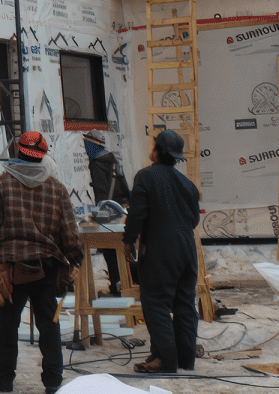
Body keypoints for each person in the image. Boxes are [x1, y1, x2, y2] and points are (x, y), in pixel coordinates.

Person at [0, 131, 82, 394]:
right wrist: (75, 259)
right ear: (43, 155)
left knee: (7, 324)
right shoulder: (56, 188)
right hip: (47, 266)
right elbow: (69, 231)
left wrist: (11, 237)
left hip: (12, 267)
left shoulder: (1, 183)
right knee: (49, 324)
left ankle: (3, 380)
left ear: (19, 151)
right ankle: (52, 382)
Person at [125, 129, 201, 374]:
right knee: (184, 306)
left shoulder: (146, 177)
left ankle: (165, 361)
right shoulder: (188, 184)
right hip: (187, 250)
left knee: (156, 304)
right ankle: (185, 360)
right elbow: (192, 220)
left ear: (157, 151)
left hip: (160, 250)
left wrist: (128, 241)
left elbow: (136, 215)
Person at [84, 129, 131, 295]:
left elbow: (101, 193)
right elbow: (124, 187)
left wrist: (99, 215)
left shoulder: (97, 163)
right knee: (120, 247)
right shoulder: (112, 159)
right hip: (118, 209)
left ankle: (116, 284)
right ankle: (124, 282)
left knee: (108, 248)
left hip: (106, 211)